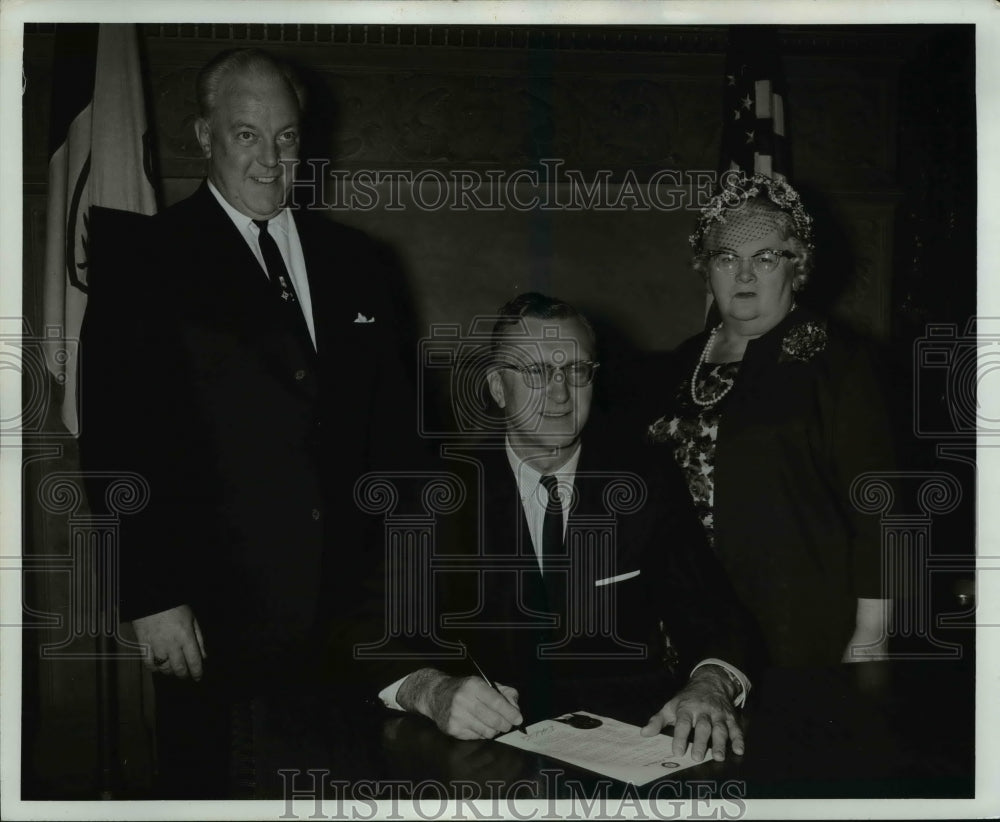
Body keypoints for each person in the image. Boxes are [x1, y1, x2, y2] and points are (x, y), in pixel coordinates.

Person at [79, 48, 416, 796]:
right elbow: (112, 441)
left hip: (349, 617)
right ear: (203, 135)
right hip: (212, 617)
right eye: (246, 135)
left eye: (287, 137)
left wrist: (401, 595)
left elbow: (396, 441)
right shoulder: (146, 258)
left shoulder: (359, 261)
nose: (271, 159)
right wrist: (149, 596)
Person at [381, 293, 758, 763]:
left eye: (576, 370)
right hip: (484, 750)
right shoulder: (440, 492)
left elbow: (713, 611)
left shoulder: (644, 480)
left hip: (632, 742)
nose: (560, 393)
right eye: (537, 372)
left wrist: (710, 682)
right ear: (498, 388)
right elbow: (363, 621)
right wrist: (430, 690)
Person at [647, 171, 894, 668]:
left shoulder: (838, 361)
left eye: (764, 258)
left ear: (796, 266)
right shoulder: (679, 362)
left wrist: (871, 635)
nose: (743, 276)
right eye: (726, 258)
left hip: (797, 625)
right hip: (687, 619)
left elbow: (883, 512)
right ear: (706, 268)